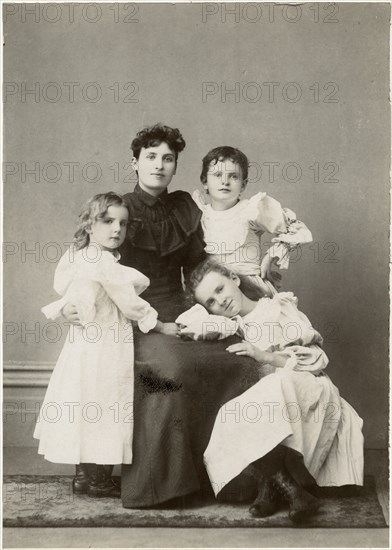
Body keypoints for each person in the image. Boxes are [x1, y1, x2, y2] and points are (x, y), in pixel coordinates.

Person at [61, 123, 316, 509]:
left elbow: (201, 267)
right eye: (151, 157)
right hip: (136, 321)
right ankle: (169, 485)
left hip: (184, 313)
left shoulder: (183, 207)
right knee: (175, 371)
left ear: (175, 165)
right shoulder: (118, 210)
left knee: (239, 362)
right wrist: (68, 303)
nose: (159, 165)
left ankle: (252, 481)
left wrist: (247, 285)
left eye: (168, 158)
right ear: (135, 162)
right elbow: (83, 255)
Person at [187, 259, 364, 520]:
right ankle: (291, 491)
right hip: (275, 397)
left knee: (272, 387)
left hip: (307, 387)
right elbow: (188, 323)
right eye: (210, 302)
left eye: (220, 289)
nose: (220, 301)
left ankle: (271, 490)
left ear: (234, 279)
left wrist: (265, 357)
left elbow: (315, 361)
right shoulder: (232, 328)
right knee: (232, 413)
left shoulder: (276, 308)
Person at [34, 192, 163, 498]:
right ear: (90, 226)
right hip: (105, 345)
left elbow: (69, 291)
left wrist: (63, 308)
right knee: (106, 406)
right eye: (107, 221)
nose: (116, 229)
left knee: (83, 405)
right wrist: (157, 323)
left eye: (123, 223)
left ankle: (83, 476)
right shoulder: (102, 262)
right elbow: (131, 305)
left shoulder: (79, 256)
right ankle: (98, 479)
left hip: (82, 347)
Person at [193, 145, 312, 295]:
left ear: (243, 185)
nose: (225, 181)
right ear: (205, 182)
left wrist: (270, 257)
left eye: (233, 176)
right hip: (216, 295)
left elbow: (297, 229)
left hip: (251, 291)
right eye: (217, 175)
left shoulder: (251, 210)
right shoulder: (199, 214)